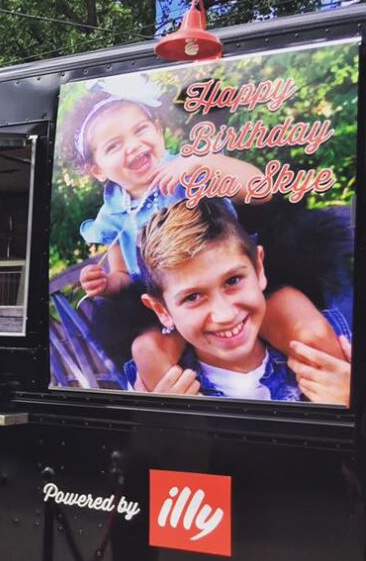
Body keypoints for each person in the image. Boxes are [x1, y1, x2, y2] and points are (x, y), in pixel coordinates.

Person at [66, 81, 347, 392]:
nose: (132, 145)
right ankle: (197, 419)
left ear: (158, 131)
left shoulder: (188, 167)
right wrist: (107, 284)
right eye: (113, 145)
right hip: (168, 303)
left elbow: (260, 190)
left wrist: (202, 164)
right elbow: (122, 273)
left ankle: (332, 396)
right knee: (146, 351)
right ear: (98, 170)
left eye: (140, 129)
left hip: (236, 277)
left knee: (304, 324)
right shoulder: (115, 213)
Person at [130, 200, 351, 405]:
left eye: (233, 280)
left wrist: (351, 402)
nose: (225, 314)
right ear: (161, 310)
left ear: (259, 269)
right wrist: (161, 431)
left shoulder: (340, 345)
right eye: (193, 297)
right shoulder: (153, 388)